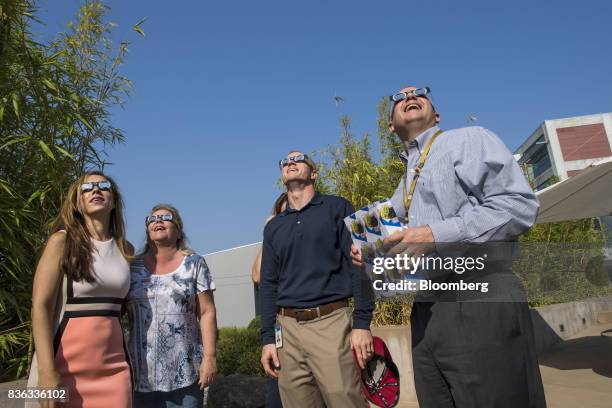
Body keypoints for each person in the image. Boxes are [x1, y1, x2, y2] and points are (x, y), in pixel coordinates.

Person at [351, 86, 546, 407]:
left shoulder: (469, 139)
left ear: (437, 115)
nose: (410, 97)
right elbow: (403, 248)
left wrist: (435, 233)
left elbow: (518, 206)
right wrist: (371, 257)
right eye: (399, 98)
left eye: (420, 94)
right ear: (390, 126)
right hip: (427, 310)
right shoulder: (404, 184)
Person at [259, 151, 374, 408]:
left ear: (313, 173)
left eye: (298, 159)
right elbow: (267, 284)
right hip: (287, 331)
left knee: (347, 402)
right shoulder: (273, 227)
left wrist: (362, 323)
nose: (290, 162)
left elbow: (360, 264)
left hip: (331, 323)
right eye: (285, 161)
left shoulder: (339, 207)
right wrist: (267, 339)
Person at [29, 171, 134, 408]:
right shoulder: (61, 242)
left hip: (115, 371)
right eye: (87, 188)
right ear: (77, 202)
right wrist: (46, 371)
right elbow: (40, 307)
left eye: (103, 185)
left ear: (114, 200)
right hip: (62, 369)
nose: (96, 190)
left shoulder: (126, 249)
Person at [125, 204, 217, 408]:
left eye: (166, 217)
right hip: (141, 376)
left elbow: (207, 311)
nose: (158, 220)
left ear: (178, 231)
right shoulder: (131, 266)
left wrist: (210, 357)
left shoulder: (195, 264)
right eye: (152, 218)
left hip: (186, 377)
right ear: (148, 230)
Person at [251, 192, 288, 408]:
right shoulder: (273, 247)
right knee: (277, 396)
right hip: (280, 328)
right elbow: (257, 276)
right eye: (281, 215)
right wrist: (269, 235)